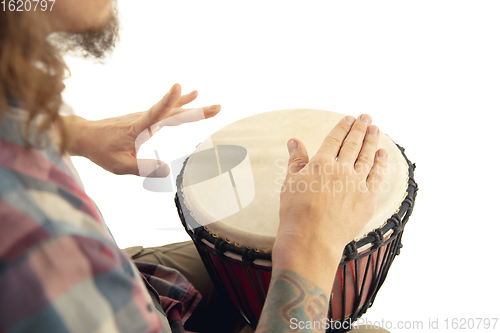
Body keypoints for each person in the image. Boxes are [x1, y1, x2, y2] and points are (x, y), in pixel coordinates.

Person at [0, 1, 388, 332]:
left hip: (135, 282)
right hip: (100, 299)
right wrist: (310, 243)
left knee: (252, 260)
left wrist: (71, 132)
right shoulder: (39, 244)